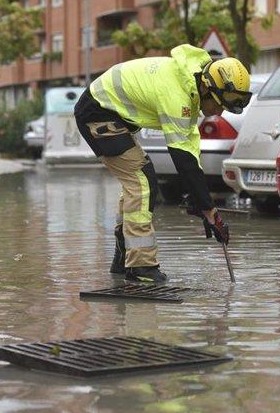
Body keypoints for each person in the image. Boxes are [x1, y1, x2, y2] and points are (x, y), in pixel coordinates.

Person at [74, 44, 251, 283]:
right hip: (97, 113)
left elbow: (190, 157)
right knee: (142, 181)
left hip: (111, 114)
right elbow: (182, 159)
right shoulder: (178, 95)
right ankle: (141, 267)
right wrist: (207, 208)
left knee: (136, 181)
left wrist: (206, 206)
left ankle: (124, 256)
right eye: (219, 104)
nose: (218, 113)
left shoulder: (189, 85)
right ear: (207, 88)